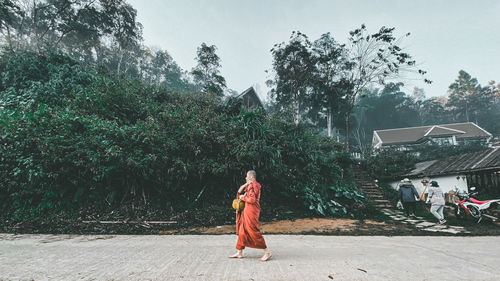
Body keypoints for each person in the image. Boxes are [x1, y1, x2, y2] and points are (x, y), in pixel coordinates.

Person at [229, 170, 272, 262]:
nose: (245, 178)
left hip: (251, 210)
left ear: (251, 177)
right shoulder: (251, 185)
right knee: (242, 230)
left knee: (253, 230)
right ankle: (239, 252)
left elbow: (252, 200)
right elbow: (239, 190)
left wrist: (242, 197)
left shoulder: (253, 186)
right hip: (247, 209)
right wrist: (245, 184)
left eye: (247, 177)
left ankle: (267, 252)